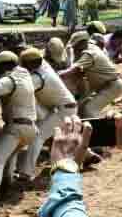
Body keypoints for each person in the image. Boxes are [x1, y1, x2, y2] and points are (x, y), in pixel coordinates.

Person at [0, 50, 37, 204]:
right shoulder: (25, 75)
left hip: (16, 128)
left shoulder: (7, 80)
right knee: (10, 157)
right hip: (31, 129)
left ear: (2, 66)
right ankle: (7, 186)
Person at [18, 46, 78, 178]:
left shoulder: (38, 77)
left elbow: (20, 90)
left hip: (64, 110)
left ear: (32, 64)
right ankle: (85, 156)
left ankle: (26, 172)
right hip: (62, 107)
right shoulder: (43, 66)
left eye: (24, 64)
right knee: (55, 136)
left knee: (37, 137)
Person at [61, 30, 122, 118]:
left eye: (75, 46)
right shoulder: (91, 47)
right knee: (81, 107)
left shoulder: (89, 54)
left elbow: (73, 70)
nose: (74, 49)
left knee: (89, 109)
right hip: (108, 85)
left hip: (113, 86)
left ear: (82, 43)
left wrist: (56, 75)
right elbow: (79, 73)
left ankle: (102, 128)